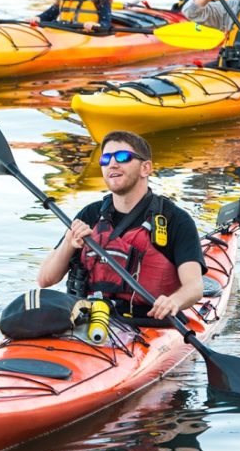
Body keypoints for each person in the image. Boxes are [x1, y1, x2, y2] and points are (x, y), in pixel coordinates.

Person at [37, 131, 206, 321]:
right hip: (89, 320)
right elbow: (45, 279)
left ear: (145, 168)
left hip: (148, 323)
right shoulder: (90, 215)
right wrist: (69, 243)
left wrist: (174, 301)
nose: (112, 164)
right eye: (106, 159)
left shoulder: (175, 220)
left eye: (123, 157)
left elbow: (195, 287)